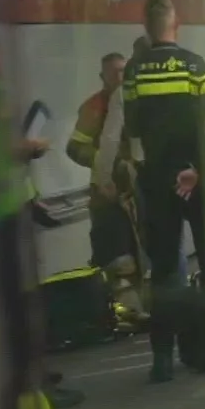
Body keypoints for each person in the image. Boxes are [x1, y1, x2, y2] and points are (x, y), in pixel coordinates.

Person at [122, 0, 205, 382]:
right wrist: (201, 169)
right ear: (175, 25)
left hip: (156, 179)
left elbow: (132, 127)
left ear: (147, 29)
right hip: (194, 176)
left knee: (165, 271)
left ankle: (163, 359)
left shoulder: (134, 72)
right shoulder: (193, 66)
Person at [67, 52, 138, 275]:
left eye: (123, 71)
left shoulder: (135, 99)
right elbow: (75, 148)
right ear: (102, 76)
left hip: (136, 193)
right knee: (114, 262)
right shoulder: (94, 107)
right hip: (106, 196)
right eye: (114, 72)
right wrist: (109, 164)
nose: (120, 76)